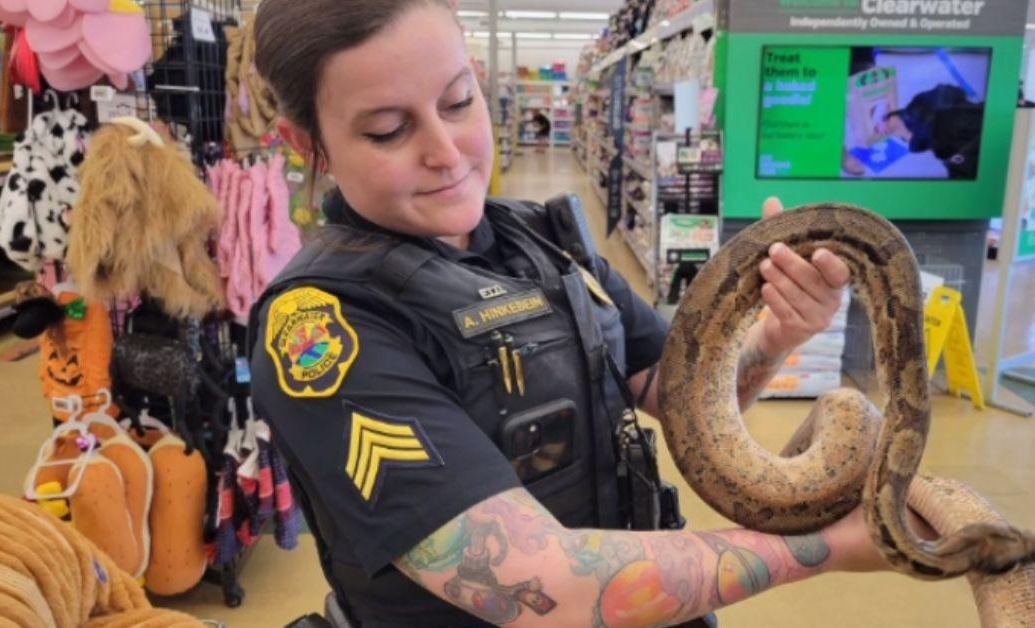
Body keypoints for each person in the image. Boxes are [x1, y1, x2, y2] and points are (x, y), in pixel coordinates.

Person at [249, 1, 922, 626]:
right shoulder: (327, 326)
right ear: (309, 145)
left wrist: (777, 334)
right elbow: (539, 585)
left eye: (459, 101)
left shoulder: (541, 238)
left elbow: (683, 407)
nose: (447, 154)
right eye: (389, 130)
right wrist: (824, 547)